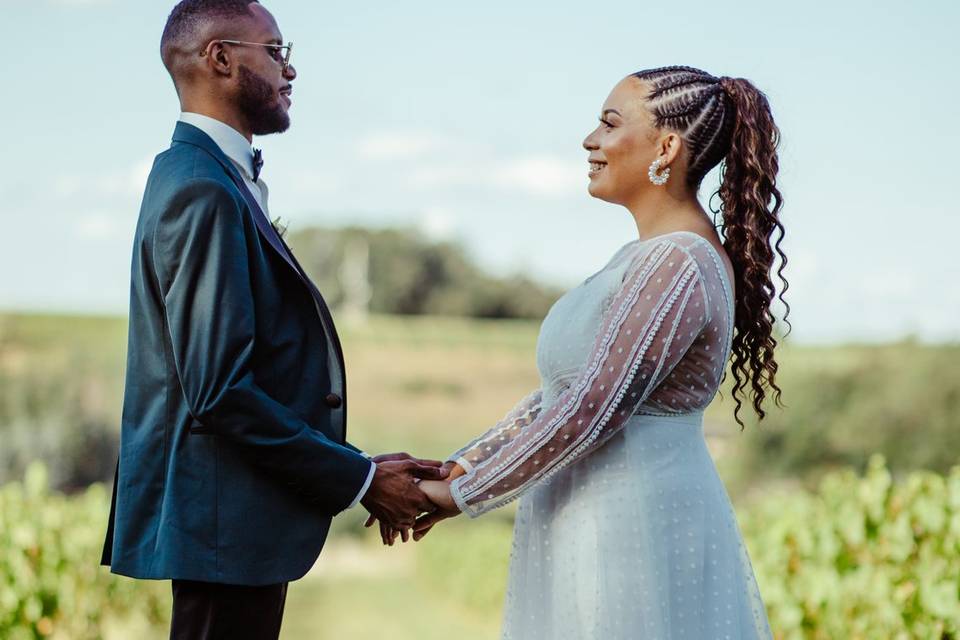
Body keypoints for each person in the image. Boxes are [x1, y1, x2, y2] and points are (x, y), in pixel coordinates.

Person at [374, 66, 789, 639]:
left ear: (666, 147)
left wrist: (463, 494)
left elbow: (594, 405)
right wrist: (462, 462)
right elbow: (562, 396)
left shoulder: (676, 263)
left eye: (609, 122)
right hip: (593, 519)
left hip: (633, 526)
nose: (589, 140)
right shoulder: (642, 257)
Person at [100, 1, 446, 637]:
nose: (291, 73)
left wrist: (354, 461)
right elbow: (219, 391)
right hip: (220, 532)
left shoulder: (204, 177)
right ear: (221, 58)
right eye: (277, 52)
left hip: (232, 531)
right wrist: (362, 479)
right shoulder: (202, 187)